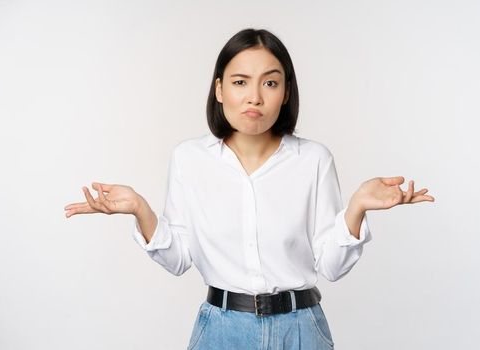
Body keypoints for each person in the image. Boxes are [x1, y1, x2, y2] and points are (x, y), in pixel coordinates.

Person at [63, 28, 434, 350]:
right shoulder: (190, 159)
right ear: (220, 89)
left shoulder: (314, 160)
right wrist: (141, 210)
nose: (254, 96)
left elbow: (332, 268)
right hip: (222, 330)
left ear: (286, 92)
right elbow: (178, 259)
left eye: (270, 82)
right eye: (240, 82)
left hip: (300, 329)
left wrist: (356, 209)